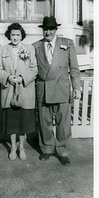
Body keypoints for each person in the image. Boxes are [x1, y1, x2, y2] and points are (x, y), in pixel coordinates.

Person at [32, 16, 81, 166]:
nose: (48, 32)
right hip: (43, 88)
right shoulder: (35, 46)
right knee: (44, 121)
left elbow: (74, 68)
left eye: (51, 29)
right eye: (45, 29)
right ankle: (46, 148)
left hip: (61, 87)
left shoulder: (67, 44)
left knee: (63, 123)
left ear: (56, 30)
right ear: (42, 30)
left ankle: (63, 151)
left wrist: (76, 87)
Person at [0, 23, 38, 160]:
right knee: (12, 122)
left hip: (24, 90)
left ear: (21, 36)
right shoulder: (2, 50)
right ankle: (13, 148)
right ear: (9, 35)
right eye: (13, 34)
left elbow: (34, 69)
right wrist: (8, 77)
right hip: (9, 91)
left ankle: (22, 147)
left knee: (23, 122)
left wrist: (22, 78)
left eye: (18, 35)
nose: (15, 37)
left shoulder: (29, 49)